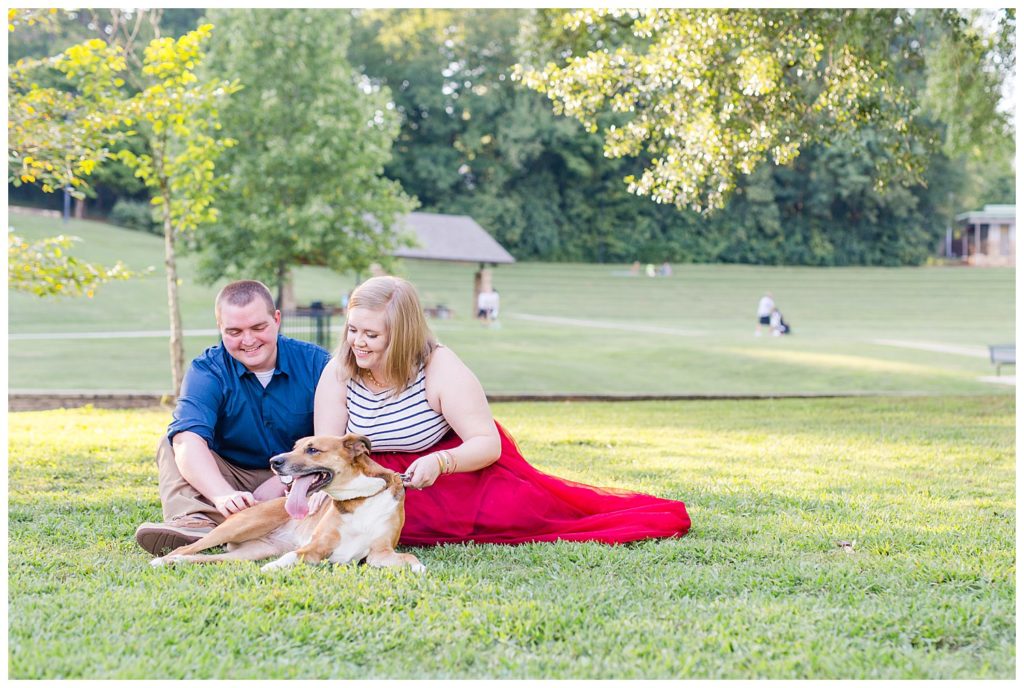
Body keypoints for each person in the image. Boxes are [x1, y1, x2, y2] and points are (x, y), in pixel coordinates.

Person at [314, 276, 690, 545]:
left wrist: (440, 462)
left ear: (402, 336)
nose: (358, 343)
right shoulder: (339, 372)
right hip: (372, 480)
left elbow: (485, 442)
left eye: (372, 335)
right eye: (353, 330)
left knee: (526, 519)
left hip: (448, 475)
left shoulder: (438, 366)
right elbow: (327, 451)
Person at [134, 280, 332, 556]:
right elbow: (188, 440)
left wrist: (280, 483)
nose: (248, 340)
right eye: (234, 331)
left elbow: (330, 441)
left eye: (258, 328)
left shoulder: (317, 363)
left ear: (276, 319)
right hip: (230, 474)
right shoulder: (207, 370)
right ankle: (195, 521)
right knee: (172, 442)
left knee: (330, 471)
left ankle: (244, 523)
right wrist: (222, 494)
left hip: (300, 475)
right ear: (220, 329)